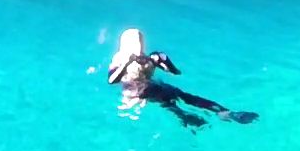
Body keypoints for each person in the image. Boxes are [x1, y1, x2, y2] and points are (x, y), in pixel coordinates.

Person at [106, 28, 256, 129]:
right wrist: (127, 63)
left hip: (154, 87)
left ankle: (226, 113)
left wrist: (164, 60)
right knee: (171, 103)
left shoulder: (149, 58)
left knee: (183, 96)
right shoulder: (120, 59)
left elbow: (175, 72)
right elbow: (112, 80)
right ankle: (190, 118)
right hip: (137, 92)